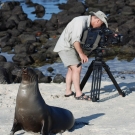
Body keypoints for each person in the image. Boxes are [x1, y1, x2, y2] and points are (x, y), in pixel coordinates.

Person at [53, 11, 108, 101]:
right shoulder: (80, 21)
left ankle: (68, 92)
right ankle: (78, 94)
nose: (100, 27)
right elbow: (75, 40)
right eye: (101, 24)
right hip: (66, 47)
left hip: (67, 46)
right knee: (77, 68)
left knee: (72, 69)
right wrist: (81, 54)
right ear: (98, 20)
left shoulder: (85, 21)